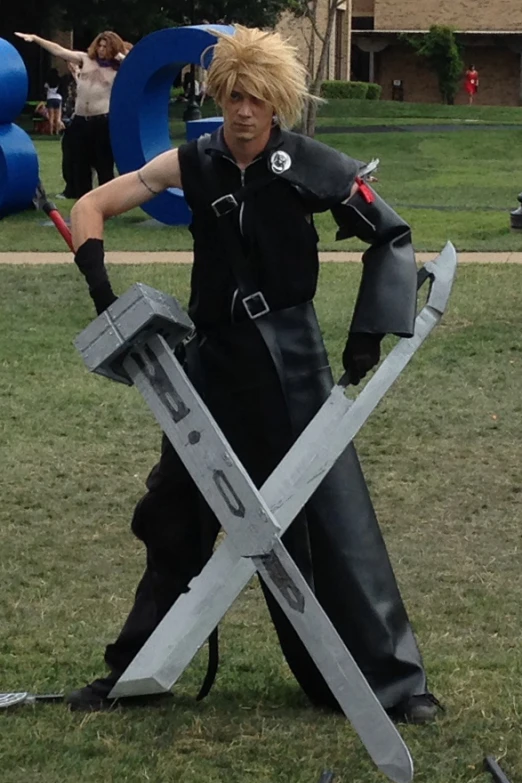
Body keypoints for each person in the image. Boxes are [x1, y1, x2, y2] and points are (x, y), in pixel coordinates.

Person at [66, 25, 441, 723]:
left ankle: (395, 683)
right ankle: (134, 669)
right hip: (208, 368)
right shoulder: (193, 162)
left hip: (292, 364)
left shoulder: (310, 163)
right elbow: (90, 206)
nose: (244, 112)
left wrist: (365, 334)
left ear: (277, 106)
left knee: (332, 521)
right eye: (234, 96)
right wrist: (98, 284)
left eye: (258, 100)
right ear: (219, 96)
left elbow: (391, 234)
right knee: (174, 514)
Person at [15, 30, 126, 196]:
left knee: (104, 164)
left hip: (101, 121)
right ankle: (82, 198)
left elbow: (138, 66)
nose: (102, 50)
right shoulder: (86, 59)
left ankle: (108, 200)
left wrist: (121, 58)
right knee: (78, 163)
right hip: (80, 120)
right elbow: (59, 50)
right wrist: (36, 38)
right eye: (100, 46)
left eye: (106, 47)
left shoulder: (118, 69)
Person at [43, 67, 62, 135]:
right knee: (57, 117)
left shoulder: (47, 82)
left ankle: (51, 132)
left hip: (50, 98)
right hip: (58, 98)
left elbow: (45, 91)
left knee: (51, 117)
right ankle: (56, 132)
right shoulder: (59, 81)